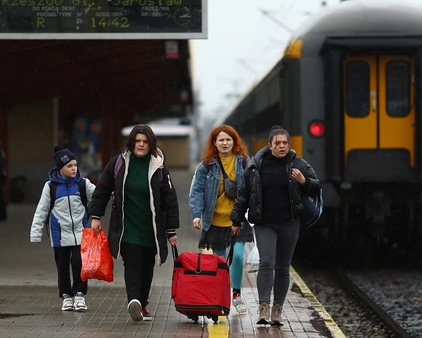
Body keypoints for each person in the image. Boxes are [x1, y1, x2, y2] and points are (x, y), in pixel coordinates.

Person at [88, 124, 179, 323]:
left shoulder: (158, 166)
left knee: (147, 267)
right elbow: (102, 189)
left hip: (151, 227)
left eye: (145, 142)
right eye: (137, 141)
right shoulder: (119, 163)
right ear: (131, 142)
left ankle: (143, 303)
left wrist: (171, 230)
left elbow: (169, 199)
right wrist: (95, 216)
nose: (141, 145)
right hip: (127, 227)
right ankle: (134, 301)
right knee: (132, 263)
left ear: (150, 144)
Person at [230, 125, 320, 326]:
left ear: (289, 144)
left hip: (290, 223)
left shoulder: (298, 164)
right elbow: (243, 194)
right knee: (267, 262)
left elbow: (316, 187)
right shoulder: (256, 165)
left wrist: (303, 180)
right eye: (277, 143)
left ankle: (277, 310)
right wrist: (236, 221)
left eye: (285, 143)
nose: (281, 146)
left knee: (282, 267)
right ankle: (263, 308)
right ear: (269, 145)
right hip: (264, 223)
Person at [189, 125, 254, 314]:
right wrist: (195, 215)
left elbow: (253, 188)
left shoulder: (244, 163)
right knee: (219, 262)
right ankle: (221, 295)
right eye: (221, 140)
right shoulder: (207, 165)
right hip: (215, 221)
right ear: (215, 143)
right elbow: (197, 191)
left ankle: (236, 295)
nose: (225, 143)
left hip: (238, 221)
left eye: (228, 139)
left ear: (234, 142)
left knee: (239, 256)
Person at [30, 146, 96, 312]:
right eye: (69, 166)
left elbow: (98, 196)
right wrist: (35, 233)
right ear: (60, 168)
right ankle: (67, 296)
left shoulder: (83, 184)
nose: (74, 168)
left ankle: (80, 294)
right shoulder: (50, 187)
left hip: (80, 233)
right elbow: (42, 210)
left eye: (75, 165)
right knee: (62, 266)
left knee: (79, 264)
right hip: (59, 235)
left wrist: (111, 193)